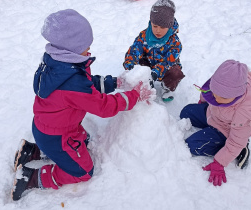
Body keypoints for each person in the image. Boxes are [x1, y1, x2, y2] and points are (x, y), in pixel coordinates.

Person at [11, 9, 153, 201]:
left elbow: (86, 84)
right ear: (71, 48)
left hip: (47, 127)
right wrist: (134, 96)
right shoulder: (72, 82)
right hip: (57, 136)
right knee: (82, 171)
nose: (88, 50)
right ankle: (30, 177)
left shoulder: (57, 65)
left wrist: (115, 83)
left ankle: (33, 151)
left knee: (83, 142)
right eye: (85, 46)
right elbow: (103, 107)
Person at [180, 60, 251, 186]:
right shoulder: (223, 80)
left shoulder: (245, 112)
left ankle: (240, 148)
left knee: (192, 145)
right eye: (215, 93)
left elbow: (236, 141)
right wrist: (204, 101)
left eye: (224, 97)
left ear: (238, 94)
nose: (217, 98)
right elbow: (207, 90)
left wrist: (219, 163)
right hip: (214, 114)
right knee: (186, 112)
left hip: (226, 130)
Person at [123, 0, 185, 102]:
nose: (158, 30)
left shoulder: (175, 43)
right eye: (155, 26)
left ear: (169, 26)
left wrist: (154, 74)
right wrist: (130, 67)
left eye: (162, 27)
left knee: (175, 73)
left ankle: (167, 88)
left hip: (165, 67)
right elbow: (134, 51)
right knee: (136, 64)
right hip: (148, 62)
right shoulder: (144, 35)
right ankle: (140, 84)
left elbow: (167, 62)